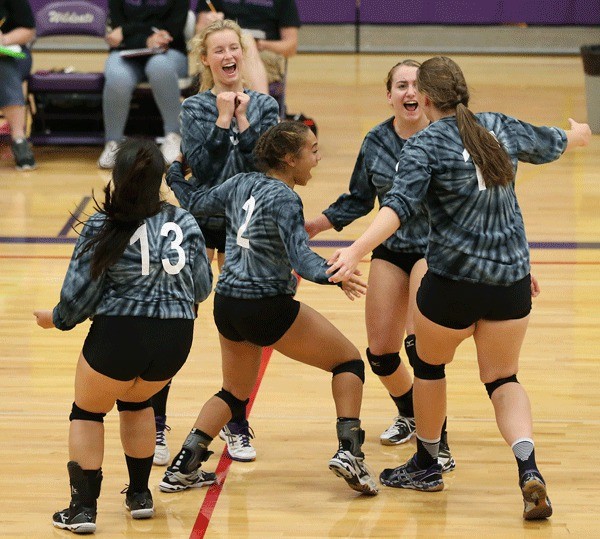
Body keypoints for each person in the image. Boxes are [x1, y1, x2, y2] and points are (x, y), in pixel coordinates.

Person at [327, 56, 591, 519]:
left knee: (429, 367)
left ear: (425, 100)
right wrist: (579, 134)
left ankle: (428, 463)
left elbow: (397, 208)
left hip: (451, 285)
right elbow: (557, 142)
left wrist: (354, 249)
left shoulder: (424, 145)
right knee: (503, 379)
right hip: (510, 284)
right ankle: (528, 468)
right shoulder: (499, 127)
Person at [159, 120, 378, 496]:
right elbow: (301, 258)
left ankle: (183, 467)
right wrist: (335, 274)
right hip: (266, 306)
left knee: (233, 391)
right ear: (290, 159)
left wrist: (175, 172)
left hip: (227, 303)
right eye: (312, 151)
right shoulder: (286, 198)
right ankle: (350, 454)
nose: (318, 157)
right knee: (349, 362)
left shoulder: (240, 182)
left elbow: (194, 201)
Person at [34, 139, 213, 534]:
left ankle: (82, 511)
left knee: (87, 411)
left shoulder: (104, 224)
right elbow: (201, 288)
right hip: (174, 339)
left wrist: (57, 320)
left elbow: (79, 295)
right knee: (137, 404)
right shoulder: (183, 222)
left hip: (120, 335)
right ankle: (139, 496)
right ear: (159, 181)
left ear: (116, 178)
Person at [305, 60, 455, 472]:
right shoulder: (376, 140)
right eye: (400, 85)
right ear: (389, 95)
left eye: (416, 85)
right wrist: (315, 225)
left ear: (427, 96)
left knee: (419, 346)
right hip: (391, 250)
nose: (409, 93)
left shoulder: (447, 137)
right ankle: (411, 413)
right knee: (382, 354)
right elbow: (358, 198)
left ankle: (436, 440)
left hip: (435, 250)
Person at [151, 18, 280, 466]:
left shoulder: (265, 105)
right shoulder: (194, 109)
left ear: (243, 55)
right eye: (219, 50)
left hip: (246, 225)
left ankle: (236, 420)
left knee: (240, 327)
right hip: (201, 221)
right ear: (205, 59)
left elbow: (263, 167)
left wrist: (242, 119)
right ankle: (157, 422)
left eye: (234, 48)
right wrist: (223, 118)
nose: (228, 56)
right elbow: (201, 169)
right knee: (175, 316)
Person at [98, 0, 189, 169]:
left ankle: (174, 136)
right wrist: (145, 38)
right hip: (126, 52)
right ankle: (113, 142)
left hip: (170, 51)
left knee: (159, 66)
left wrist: (127, 30)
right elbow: (117, 31)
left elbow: (172, 30)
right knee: (118, 77)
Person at [196, 0, 300, 95]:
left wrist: (260, 44)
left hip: (265, 53)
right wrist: (209, 25)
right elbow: (199, 36)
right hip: (225, 49)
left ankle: (260, 107)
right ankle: (261, 107)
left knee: (246, 40)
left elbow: (291, 46)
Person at [0, 0, 36, 170]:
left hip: (12, 54)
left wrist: (4, 39)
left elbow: (28, 30)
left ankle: (19, 138)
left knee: (3, 67)